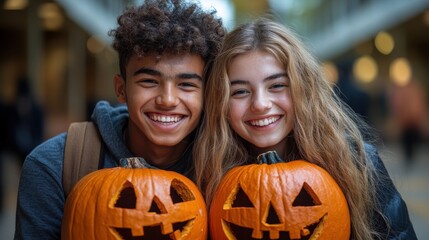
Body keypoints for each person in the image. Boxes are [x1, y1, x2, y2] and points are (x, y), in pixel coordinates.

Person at [14, 0, 225, 239]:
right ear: (121, 89)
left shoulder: (226, 165)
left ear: (207, 93)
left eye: (186, 84)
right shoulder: (54, 165)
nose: (167, 100)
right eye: (149, 81)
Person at [194, 18, 417, 239]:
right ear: (220, 102)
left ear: (303, 90)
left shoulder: (357, 162)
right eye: (240, 91)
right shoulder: (207, 175)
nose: (260, 104)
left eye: (277, 85)